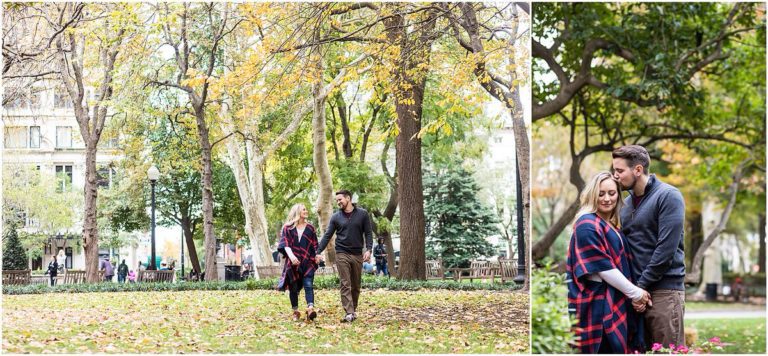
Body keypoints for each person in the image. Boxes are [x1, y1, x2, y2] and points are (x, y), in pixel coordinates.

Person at [567, 172, 649, 353]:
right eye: (601, 193)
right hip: (598, 306)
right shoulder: (587, 223)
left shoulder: (611, 225)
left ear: (618, 195)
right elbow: (602, 267)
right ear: (592, 195)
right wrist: (635, 294)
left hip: (616, 300)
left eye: (611, 193)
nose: (606, 199)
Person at [613, 145, 687, 348]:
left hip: (664, 293)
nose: (615, 176)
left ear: (637, 170)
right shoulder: (626, 205)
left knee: (667, 353)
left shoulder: (668, 196)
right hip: (636, 296)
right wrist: (634, 292)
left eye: (620, 171)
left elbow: (666, 250)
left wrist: (640, 287)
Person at [316, 189, 373, 323]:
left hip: (357, 254)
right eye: (337, 201)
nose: (338, 202)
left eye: (340, 199)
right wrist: (318, 251)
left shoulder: (363, 214)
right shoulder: (336, 217)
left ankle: (353, 310)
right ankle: (349, 312)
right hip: (341, 253)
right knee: (345, 283)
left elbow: (368, 233)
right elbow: (327, 235)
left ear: (348, 198)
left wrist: (369, 249)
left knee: (356, 285)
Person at [277, 203, 319, 322]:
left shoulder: (310, 228)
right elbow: (285, 244)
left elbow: (315, 245)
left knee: (308, 284)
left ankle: (310, 308)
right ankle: (295, 311)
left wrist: (317, 255)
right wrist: (292, 257)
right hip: (293, 263)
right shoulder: (287, 228)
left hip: (308, 262)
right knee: (293, 287)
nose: (306, 211)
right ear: (297, 212)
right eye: (304, 210)